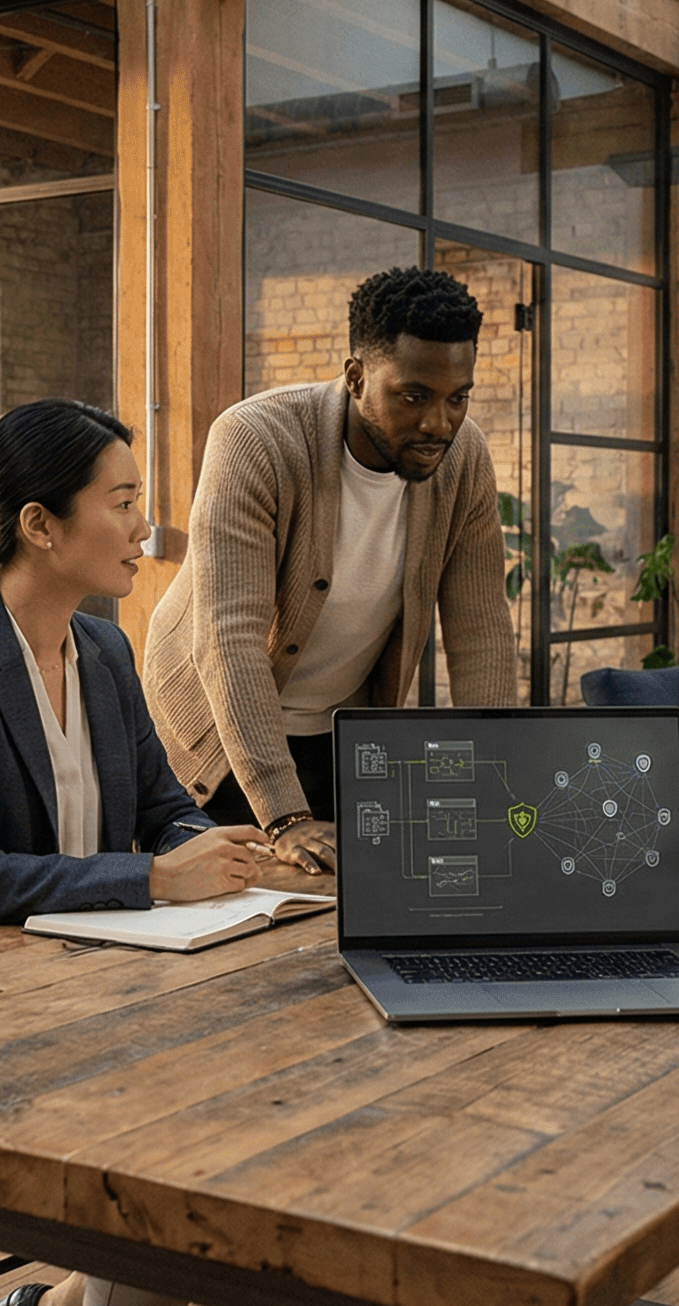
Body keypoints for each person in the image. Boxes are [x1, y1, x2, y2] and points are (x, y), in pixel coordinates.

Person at [0, 399, 264, 1306]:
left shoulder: (108, 649)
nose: (144, 526)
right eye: (122, 502)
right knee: (184, 1137)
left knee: (236, 1106)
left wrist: (230, 855)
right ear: (39, 526)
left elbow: (162, 811)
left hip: (77, 988)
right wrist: (157, 882)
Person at [144, 266, 519, 875]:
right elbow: (228, 639)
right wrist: (285, 815)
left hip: (338, 727)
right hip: (217, 731)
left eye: (458, 398)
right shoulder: (254, 439)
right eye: (413, 396)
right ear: (355, 376)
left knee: (347, 901)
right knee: (243, 907)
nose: (439, 423)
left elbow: (481, 635)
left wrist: (501, 785)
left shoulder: (463, 458)